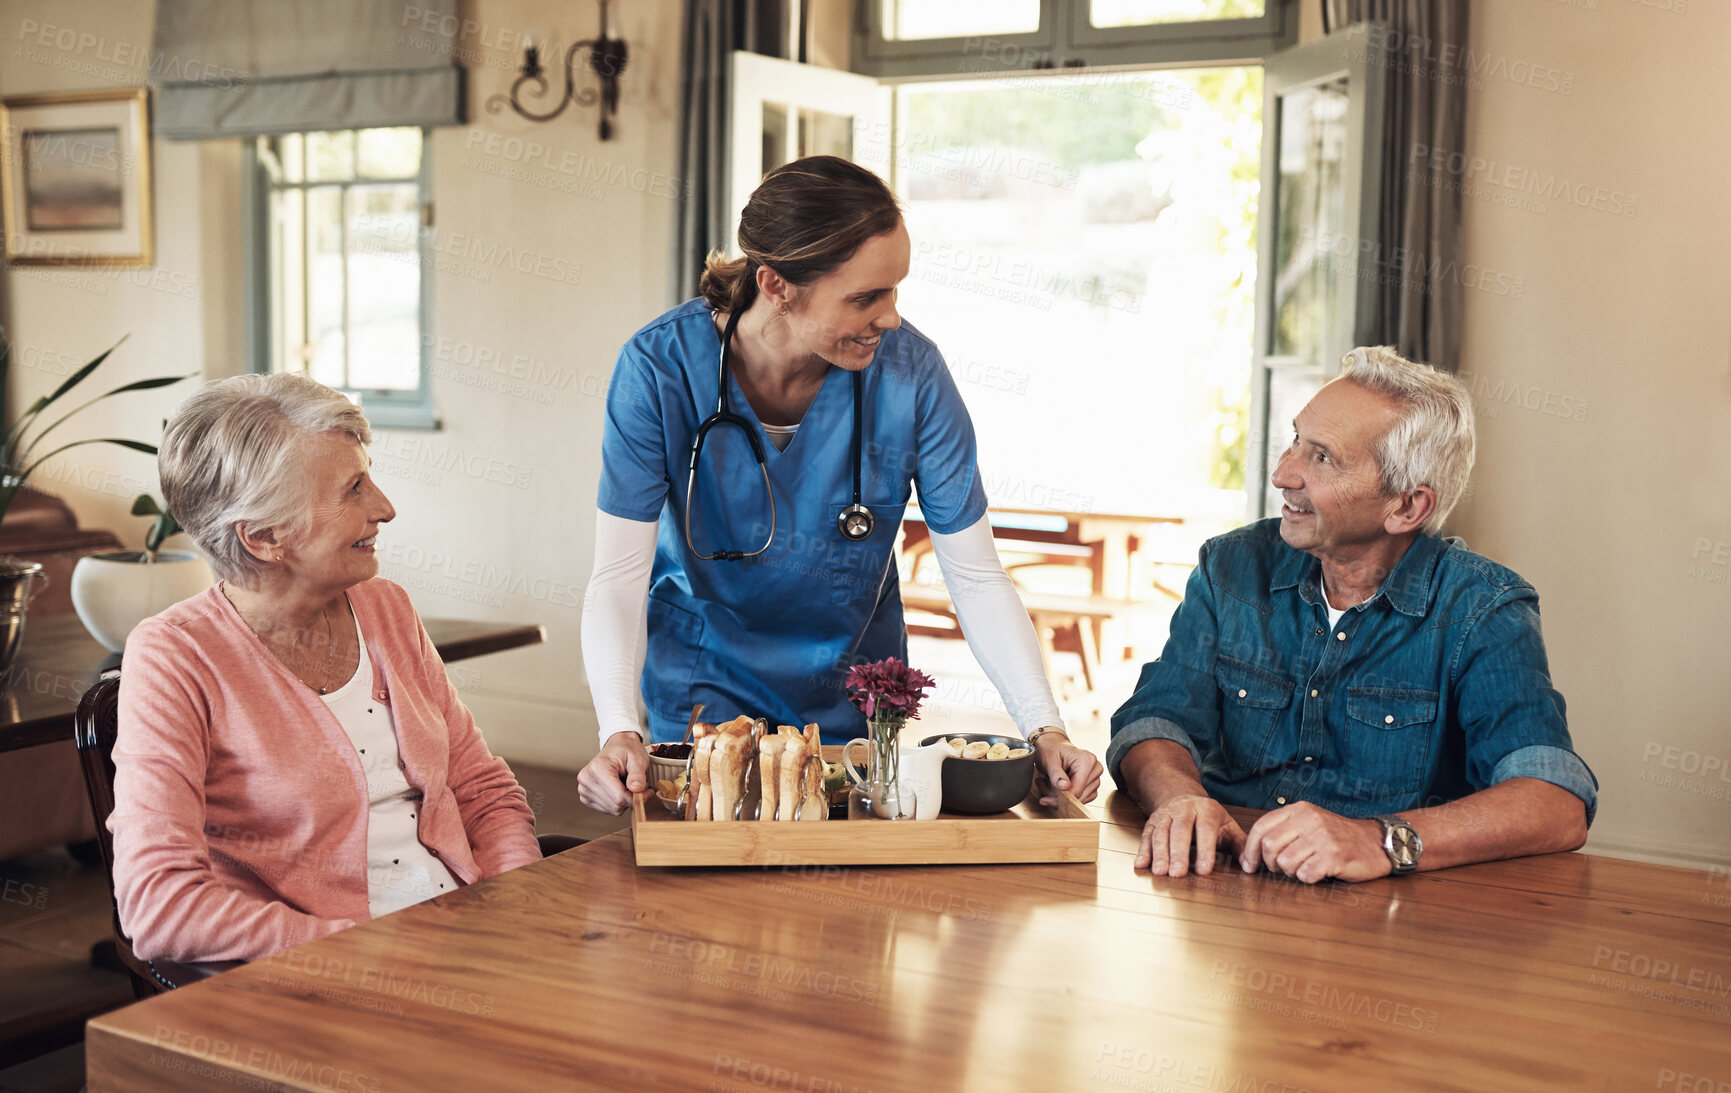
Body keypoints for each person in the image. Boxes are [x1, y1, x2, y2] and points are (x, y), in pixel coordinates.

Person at [577, 155, 1102, 815]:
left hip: (852, 696)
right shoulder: (659, 368)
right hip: (703, 694)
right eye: (864, 297)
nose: (889, 318)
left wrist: (1041, 723)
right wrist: (617, 727)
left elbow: (973, 575)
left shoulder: (912, 374)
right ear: (776, 284)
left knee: (845, 901)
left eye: (894, 291)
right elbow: (616, 576)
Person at [1109, 346, 1595, 883]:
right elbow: (1155, 719)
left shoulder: (1483, 608)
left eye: (1322, 458)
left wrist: (1377, 839)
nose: (1282, 474)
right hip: (1219, 882)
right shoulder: (1231, 566)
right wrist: (1178, 797)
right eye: (1296, 439)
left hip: (1391, 919)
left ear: (1407, 507)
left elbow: (1555, 803)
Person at [108, 373, 541, 965]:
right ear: (264, 537)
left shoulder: (385, 607)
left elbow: (482, 792)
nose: (385, 508)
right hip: (326, 978)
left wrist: (519, 910)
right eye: (353, 489)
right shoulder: (175, 657)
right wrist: (372, 952)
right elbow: (161, 908)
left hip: (470, 940)